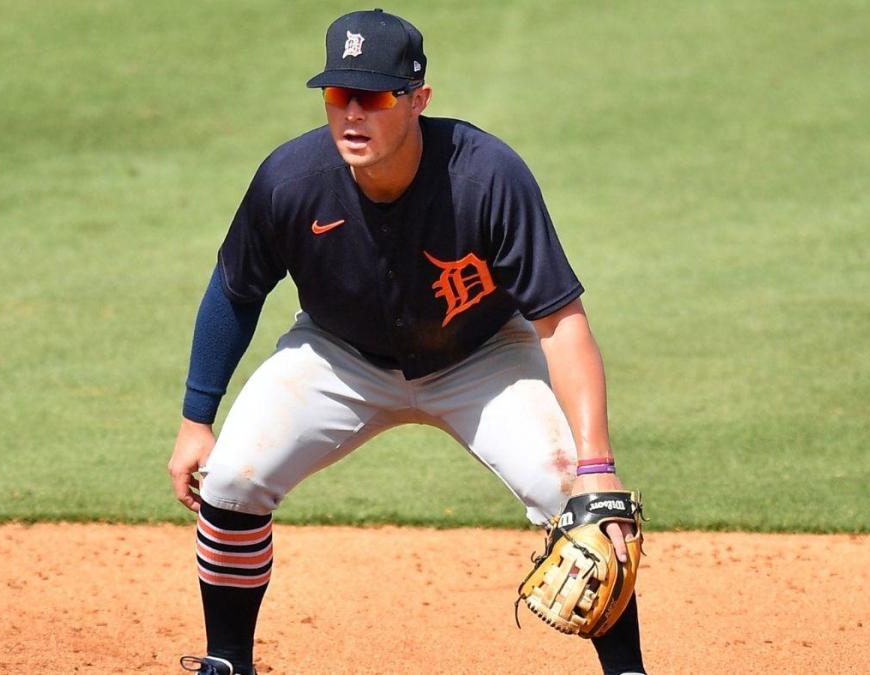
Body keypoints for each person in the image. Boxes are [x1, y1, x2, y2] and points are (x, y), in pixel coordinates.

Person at [170, 9, 646, 675]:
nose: (352, 114)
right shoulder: (291, 179)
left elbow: (562, 324)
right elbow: (234, 291)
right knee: (231, 479)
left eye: (374, 96)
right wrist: (197, 417)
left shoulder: (487, 176)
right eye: (339, 95)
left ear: (419, 99)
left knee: (578, 502)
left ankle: (628, 670)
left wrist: (598, 466)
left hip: (482, 357)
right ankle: (227, 662)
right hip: (338, 357)